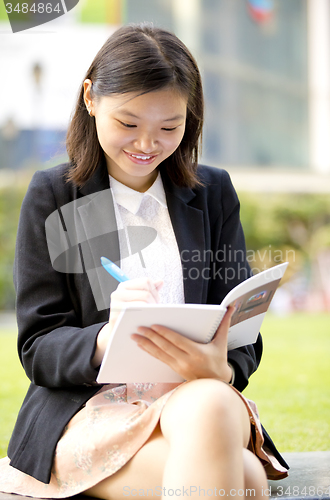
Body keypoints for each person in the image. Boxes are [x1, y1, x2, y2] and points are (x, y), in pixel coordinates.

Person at [0, 23, 289, 499]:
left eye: (169, 128)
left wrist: (223, 368)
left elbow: (242, 330)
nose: (146, 144)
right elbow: (38, 345)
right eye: (128, 124)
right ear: (90, 99)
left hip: (198, 399)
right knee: (246, 477)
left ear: (189, 118)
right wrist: (106, 338)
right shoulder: (55, 196)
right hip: (92, 410)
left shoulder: (212, 195)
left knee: (212, 403)